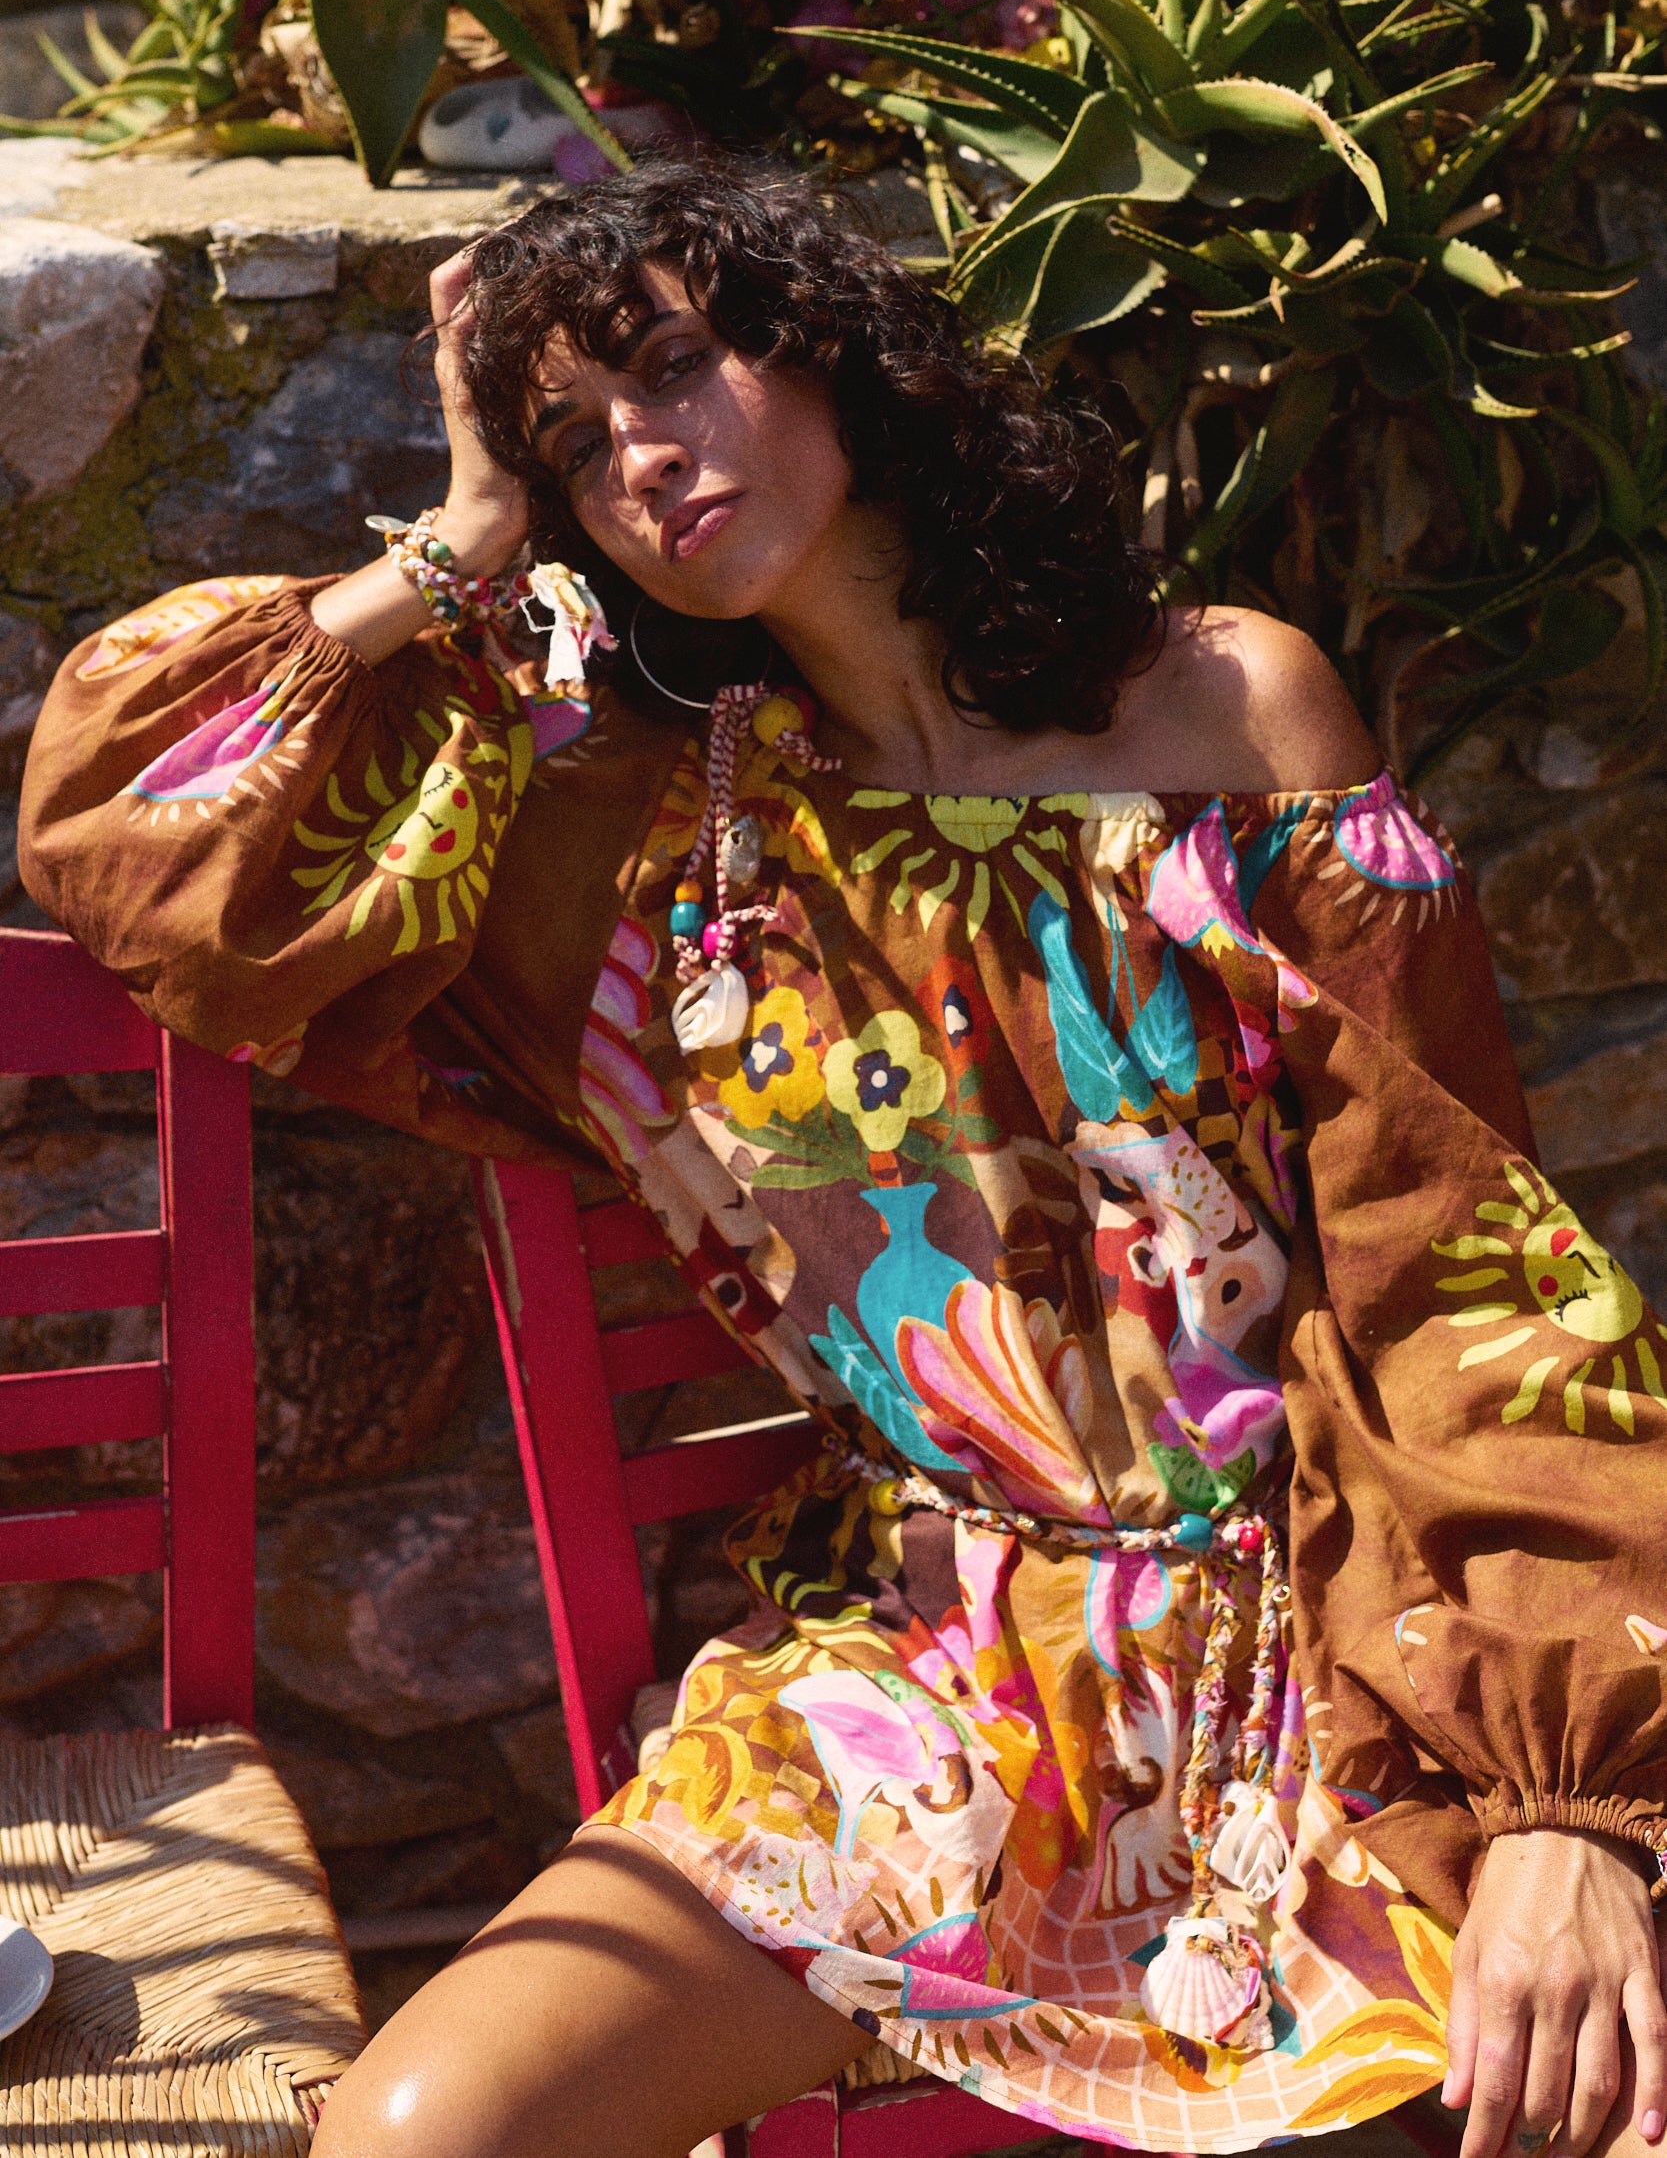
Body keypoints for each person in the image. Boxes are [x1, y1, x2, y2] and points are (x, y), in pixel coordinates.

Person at [19, 159, 1667, 2158]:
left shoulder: (1229, 706)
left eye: (668, 365)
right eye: (568, 437)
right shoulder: (645, 846)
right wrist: (459, 537)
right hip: (934, 1676)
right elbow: (140, 837)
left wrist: (1561, 1799)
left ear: (835, 355)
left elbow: (1464, 1270)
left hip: (1335, 1652)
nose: (636, 452)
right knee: (415, 2132)